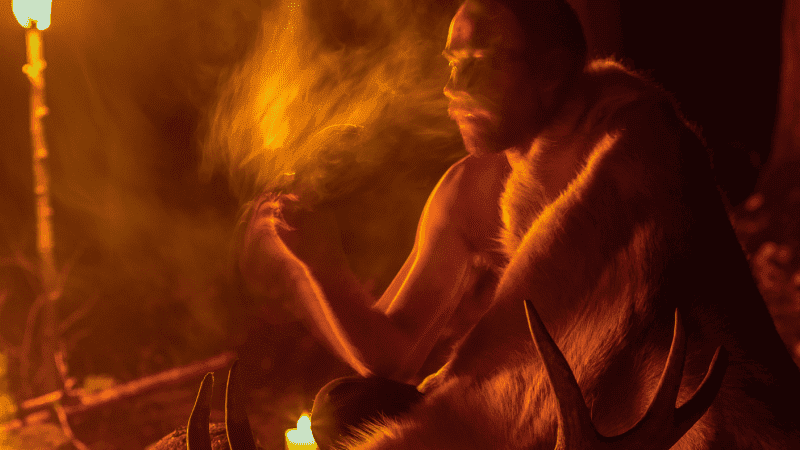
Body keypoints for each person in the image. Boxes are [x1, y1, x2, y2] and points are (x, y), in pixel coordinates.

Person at [240, 0, 800, 447]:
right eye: (451, 63)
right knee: (346, 408)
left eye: (481, 62)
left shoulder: (634, 150)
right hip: (547, 414)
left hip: (682, 422)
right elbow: (394, 354)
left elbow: (538, 365)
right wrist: (322, 265)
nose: (455, 88)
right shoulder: (470, 189)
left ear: (552, 73)